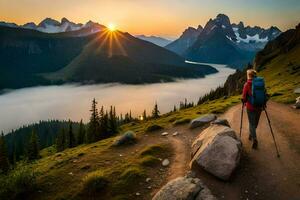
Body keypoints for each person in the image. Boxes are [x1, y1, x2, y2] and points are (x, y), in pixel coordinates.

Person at [242, 69, 263, 149]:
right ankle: (251, 134)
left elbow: (244, 97)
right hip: (259, 106)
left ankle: (254, 139)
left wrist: (244, 101)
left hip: (250, 107)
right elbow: (264, 93)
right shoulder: (261, 83)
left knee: (251, 123)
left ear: (249, 75)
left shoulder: (247, 84)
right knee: (255, 123)